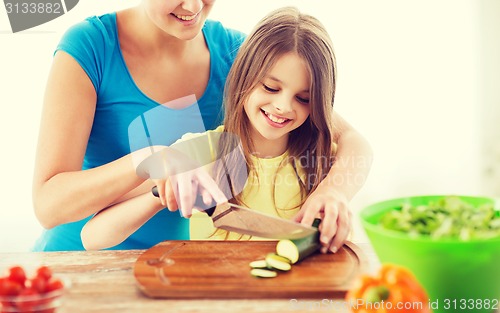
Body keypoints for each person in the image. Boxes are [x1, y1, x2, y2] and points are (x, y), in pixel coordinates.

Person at [80, 6, 373, 254]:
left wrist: (335, 197)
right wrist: (159, 194)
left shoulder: (321, 155)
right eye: (270, 87)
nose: (284, 106)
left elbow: (361, 150)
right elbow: (92, 237)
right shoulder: (203, 150)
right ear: (243, 76)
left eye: (303, 98)